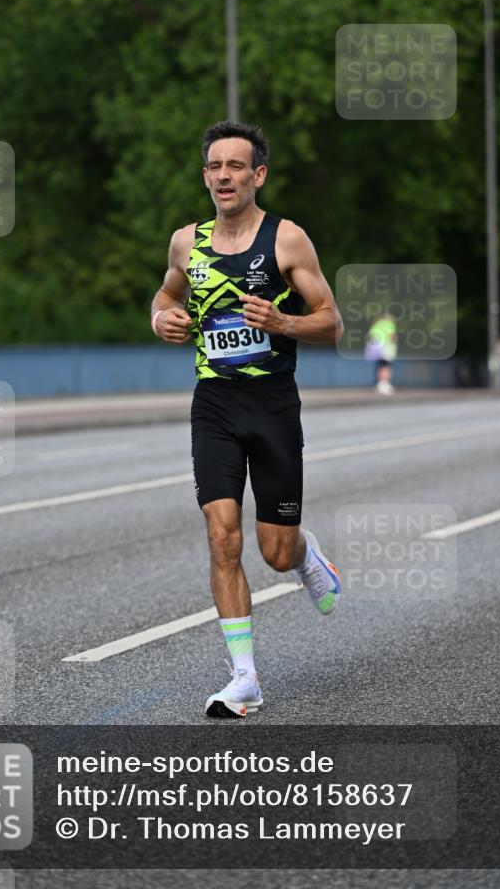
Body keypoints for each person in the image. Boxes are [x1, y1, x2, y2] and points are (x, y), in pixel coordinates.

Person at [150, 120, 343, 718]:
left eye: (235, 166)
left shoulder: (286, 239)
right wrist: (161, 318)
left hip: (273, 405)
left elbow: (331, 321)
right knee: (221, 534)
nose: (224, 176)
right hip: (214, 404)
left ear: (258, 175)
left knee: (274, 552)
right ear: (205, 175)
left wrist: (283, 323)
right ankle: (244, 678)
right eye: (214, 166)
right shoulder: (187, 242)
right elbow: (167, 295)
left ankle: (305, 555)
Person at [365, 312, 397, 395]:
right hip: (386, 347)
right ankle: (385, 384)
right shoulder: (390, 324)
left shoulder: (376, 324)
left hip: (376, 349)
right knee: (386, 367)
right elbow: (392, 336)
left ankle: (379, 384)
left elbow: (370, 336)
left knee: (380, 366)